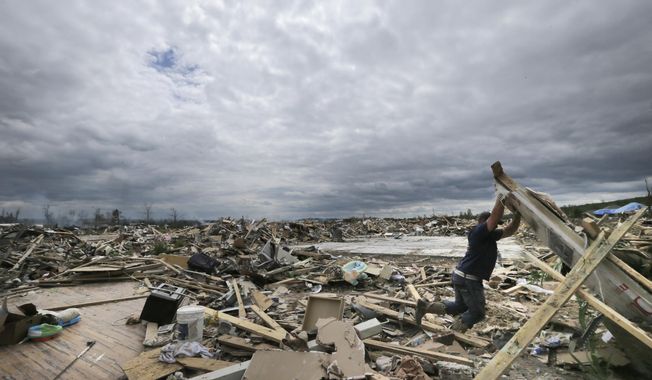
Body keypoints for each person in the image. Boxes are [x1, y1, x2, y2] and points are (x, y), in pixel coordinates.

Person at [415, 194, 521, 332]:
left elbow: (509, 231)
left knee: (461, 306)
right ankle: (454, 334)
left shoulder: (489, 236)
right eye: (494, 224)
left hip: (461, 276)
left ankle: (426, 307)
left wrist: (518, 215)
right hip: (469, 279)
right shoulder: (478, 232)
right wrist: (501, 197)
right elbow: (494, 217)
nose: (496, 227)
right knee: (477, 314)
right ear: (484, 222)